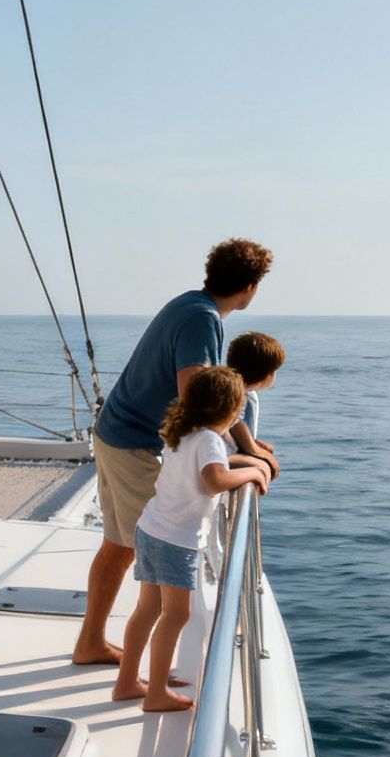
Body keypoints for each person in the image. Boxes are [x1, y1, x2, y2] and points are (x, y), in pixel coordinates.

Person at [75, 238, 277, 666]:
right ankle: (137, 674)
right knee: (151, 546)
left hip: (114, 429)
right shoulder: (203, 320)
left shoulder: (191, 304)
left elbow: (210, 398)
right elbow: (198, 400)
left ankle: (91, 641)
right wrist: (244, 457)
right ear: (249, 287)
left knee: (117, 545)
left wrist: (247, 445)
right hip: (132, 441)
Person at [112, 367, 269, 711]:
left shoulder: (183, 432)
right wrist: (254, 470)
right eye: (239, 409)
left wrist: (240, 460)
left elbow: (208, 467)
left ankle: (126, 682)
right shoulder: (210, 440)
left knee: (146, 610)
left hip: (151, 528)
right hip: (176, 541)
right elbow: (214, 479)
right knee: (176, 616)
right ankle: (155, 694)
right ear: (228, 410)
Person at [224, 331, 285, 450]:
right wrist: (253, 449)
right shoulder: (242, 397)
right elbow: (232, 426)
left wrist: (252, 443)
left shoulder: (226, 389)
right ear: (267, 374)